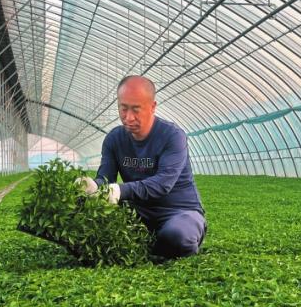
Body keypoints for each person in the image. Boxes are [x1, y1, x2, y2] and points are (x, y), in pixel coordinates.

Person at [77, 75, 206, 259]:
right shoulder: (114, 139)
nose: (128, 117)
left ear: (152, 107)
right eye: (123, 108)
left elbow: (163, 184)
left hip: (178, 211)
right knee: (87, 224)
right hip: (138, 213)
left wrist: (119, 190)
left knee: (176, 236)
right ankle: (154, 244)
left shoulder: (172, 136)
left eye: (136, 110)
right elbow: (106, 178)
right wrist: (93, 185)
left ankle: (172, 240)